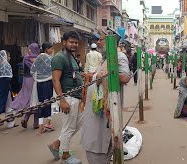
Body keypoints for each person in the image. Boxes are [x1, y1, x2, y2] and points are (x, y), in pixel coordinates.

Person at [81, 33, 131, 164]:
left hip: (105, 112)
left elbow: (125, 77)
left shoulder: (119, 56)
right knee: (94, 139)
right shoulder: (105, 58)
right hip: (97, 111)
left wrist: (103, 76)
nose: (98, 42)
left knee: (101, 142)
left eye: (101, 40)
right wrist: (95, 76)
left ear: (110, 41)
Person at [47, 31, 83, 164]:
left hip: (77, 97)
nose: (74, 45)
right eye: (71, 42)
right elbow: (55, 80)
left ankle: (56, 144)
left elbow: (75, 73)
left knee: (78, 124)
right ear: (64, 42)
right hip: (68, 97)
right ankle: (66, 156)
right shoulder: (59, 57)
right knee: (68, 127)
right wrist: (61, 100)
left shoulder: (72, 57)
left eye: (76, 42)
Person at [9, 43, 40, 129]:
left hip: (26, 80)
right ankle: (35, 123)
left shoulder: (27, 57)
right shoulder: (37, 58)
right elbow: (35, 68)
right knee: (35, 100)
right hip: (33, 80)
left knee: (30, 100)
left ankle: (26, 119)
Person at [30, 42, 55, 135]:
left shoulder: (38, 58)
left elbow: (32, 70)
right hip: (49, 83)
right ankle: (48, 122)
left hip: (39, 84)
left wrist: (38, 77)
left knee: (41, 103)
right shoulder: (50, 59)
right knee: (51, 102)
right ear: (46, 49)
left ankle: (41, 125)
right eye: (51, 49)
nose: (52, 51)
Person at [0, 51, 13, 117]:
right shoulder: (6, 65)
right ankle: (10, 122)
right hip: (5, 87)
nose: (10, 58)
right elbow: (9, 78)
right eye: (8, 56)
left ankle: (11, 121)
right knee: (7, 104)